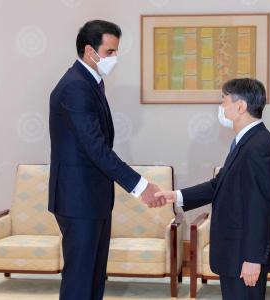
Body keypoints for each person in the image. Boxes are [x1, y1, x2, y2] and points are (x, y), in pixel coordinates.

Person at [48, 20, 164, 300]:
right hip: (79, 200)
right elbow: (96, 149)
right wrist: (140, 186)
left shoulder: (90, 83)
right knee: (80, 279)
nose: (114, 58)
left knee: (94, 276)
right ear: (90, 51)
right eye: (110, 52)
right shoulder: (75, 87)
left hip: (92, 198)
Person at [156, 78, 270, 300]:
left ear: (240, 107)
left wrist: (253, 258)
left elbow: (260, 206)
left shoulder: (257, 146)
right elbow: (218, 185)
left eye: (223, 102)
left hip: (244, 256)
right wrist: (175, 196)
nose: (220, 109)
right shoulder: (245, 142)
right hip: (235, 253)